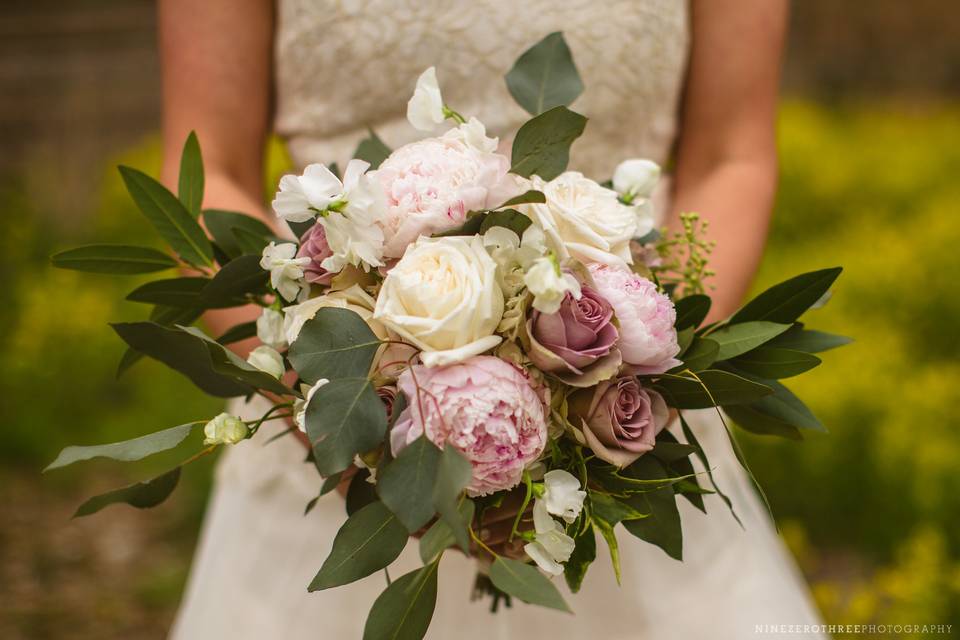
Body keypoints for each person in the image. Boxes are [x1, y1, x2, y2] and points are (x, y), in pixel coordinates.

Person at [161, 1, 824, 638]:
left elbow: (730, 158)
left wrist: (629, 368)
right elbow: (208, 168)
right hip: (331, 425)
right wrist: (333, 415)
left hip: (623, 432)